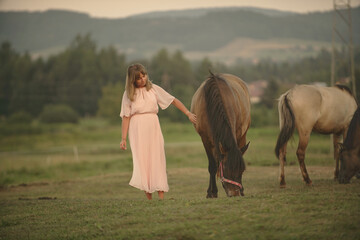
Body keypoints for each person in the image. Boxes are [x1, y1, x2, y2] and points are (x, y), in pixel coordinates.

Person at [119, 63, 196, 200]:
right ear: (132, 80)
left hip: (153, 125)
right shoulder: (128, 95)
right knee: (142, 161)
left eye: (144, 76)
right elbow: (126, 116)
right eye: (139, 78)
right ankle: (149, 198)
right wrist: (123, 138)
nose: (143, 79)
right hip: (137, 129)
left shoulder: (153, 89)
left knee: (157, 158)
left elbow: (172, 100)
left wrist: (188, 113)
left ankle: (161, 197)